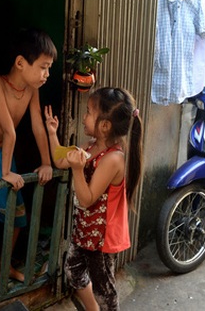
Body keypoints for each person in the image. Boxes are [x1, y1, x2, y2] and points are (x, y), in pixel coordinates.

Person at [0, 28, 57, 291]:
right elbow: (9, 130)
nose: (47, 75)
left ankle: (4, 265)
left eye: (49, 68)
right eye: (43, 67)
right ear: (20, 63)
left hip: (5, 153)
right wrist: (6, 172)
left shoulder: (31, 89)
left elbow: (37, 126)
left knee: (17, 215)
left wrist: (47, 161)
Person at [44, 87, 143, 311]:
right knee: (73, 272)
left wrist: (78, 170)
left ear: (105, 126)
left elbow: (87, 199)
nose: (84, 117)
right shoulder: (90, 146)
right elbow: (61, 161)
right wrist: (52, 133)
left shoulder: (113, 159)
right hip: (84, 231)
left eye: (88, 112)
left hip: (101, 238)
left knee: (104, 289)